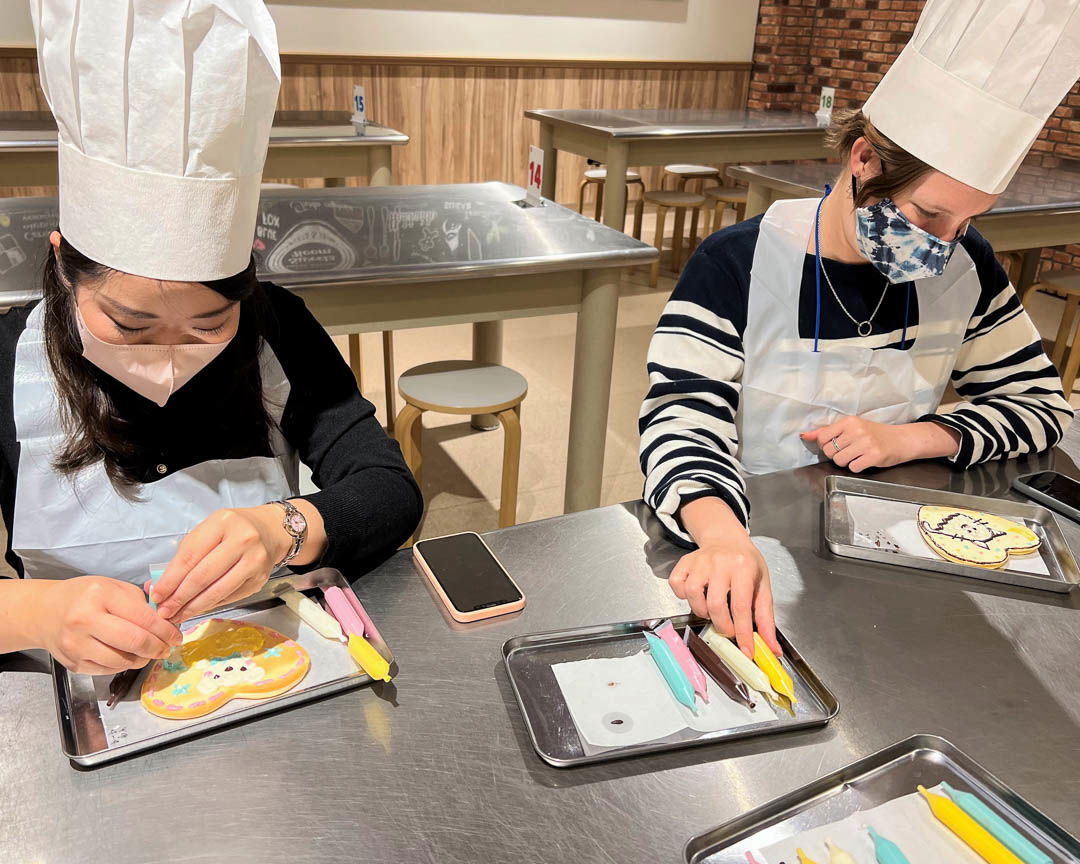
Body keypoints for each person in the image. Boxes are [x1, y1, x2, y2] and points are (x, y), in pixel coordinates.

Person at [640, 0, 1080, 657]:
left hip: (892, 560)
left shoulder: (967, 270)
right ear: (864, 158)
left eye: (966, 222)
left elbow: (1042, 408)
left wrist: (913, 439)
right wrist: (725, 537)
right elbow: (678, 420)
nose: (944, 246)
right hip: (749, 548)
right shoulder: (739, 263)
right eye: (929, 215)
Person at [0, 1, 421, 676]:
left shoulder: (277, 324)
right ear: (62, 264)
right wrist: (40, 614)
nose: (169, 359)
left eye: (209, 325)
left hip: (263, 669)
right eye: (129, 325)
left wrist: (283, 528)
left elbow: (388, 488)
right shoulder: (7, 361)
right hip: (70, 695)